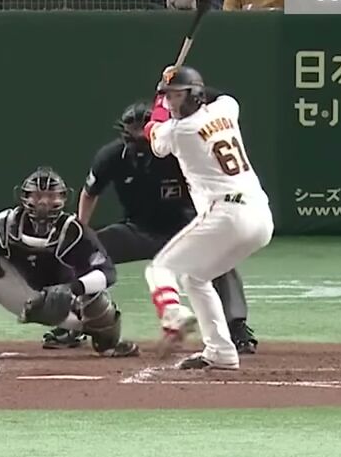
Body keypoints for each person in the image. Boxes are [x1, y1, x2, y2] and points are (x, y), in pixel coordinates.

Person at [42, 101, 257, 353]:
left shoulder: (181, 152)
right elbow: (90, 193)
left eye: (143, 130)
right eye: (132, 132)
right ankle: (75, 323)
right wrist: (82, 230)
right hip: (137, 231)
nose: (138, 137)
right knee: (84, 256)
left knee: (221, 257)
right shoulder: (111, 156)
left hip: (184, 230)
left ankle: (236, 327)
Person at [0, 167, 140, 360]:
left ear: (63, 198)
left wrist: (71, 288)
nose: (44, 202)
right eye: (37, 195)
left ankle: (106, 343)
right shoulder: (7, 224)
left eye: (51, 196)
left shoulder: (74, 232)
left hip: (68, 305)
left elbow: (107, 273)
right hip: (24, 296)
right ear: (24, 197)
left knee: (95, 295)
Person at [145, 67, 273, 370]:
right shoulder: (226, 108)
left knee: (160, 268)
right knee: (195, 278)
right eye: (169, 96)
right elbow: (220, 96)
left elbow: (154, 136)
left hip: (227, 213)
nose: (172, 102)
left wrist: (157, 106)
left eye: (178, 96)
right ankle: (220, 351)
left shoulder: (180, 132)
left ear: (196, 95)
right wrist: (173, 85)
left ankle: (174, 314)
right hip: (259, 216)